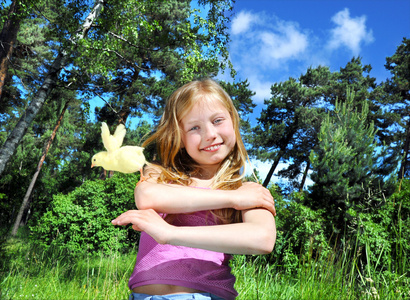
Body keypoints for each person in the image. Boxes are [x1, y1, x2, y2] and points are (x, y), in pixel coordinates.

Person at [111, 78, 276, 300]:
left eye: (217, 120)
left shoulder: (247, 190)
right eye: (194, 127)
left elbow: (262, 238)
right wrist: (232, 199)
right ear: (179, 137)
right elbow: (147, 196)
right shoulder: (159, 174)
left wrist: (170, 234)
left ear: (233, 123)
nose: (209, 134)